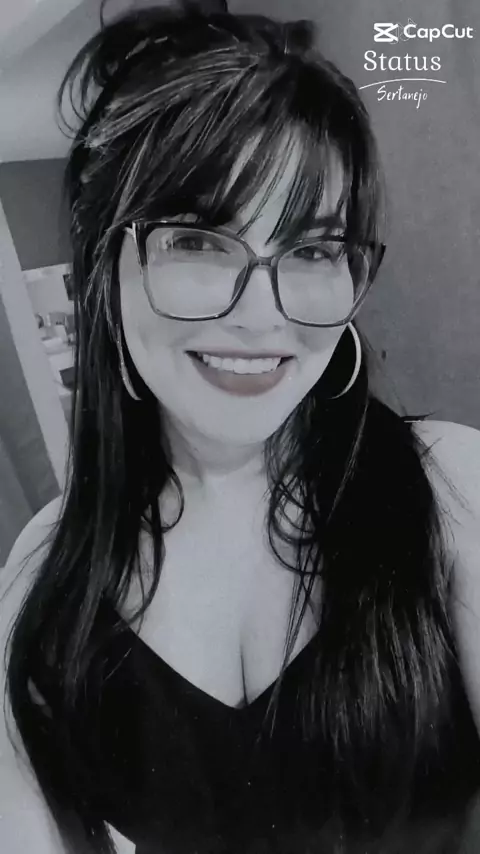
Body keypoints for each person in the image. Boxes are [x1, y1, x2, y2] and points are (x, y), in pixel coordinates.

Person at [1, 5, 480, 854]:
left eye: (313, 250)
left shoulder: (452, 489)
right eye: (198, 241)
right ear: (105, 269)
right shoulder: (49, 573)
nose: (262, 317)